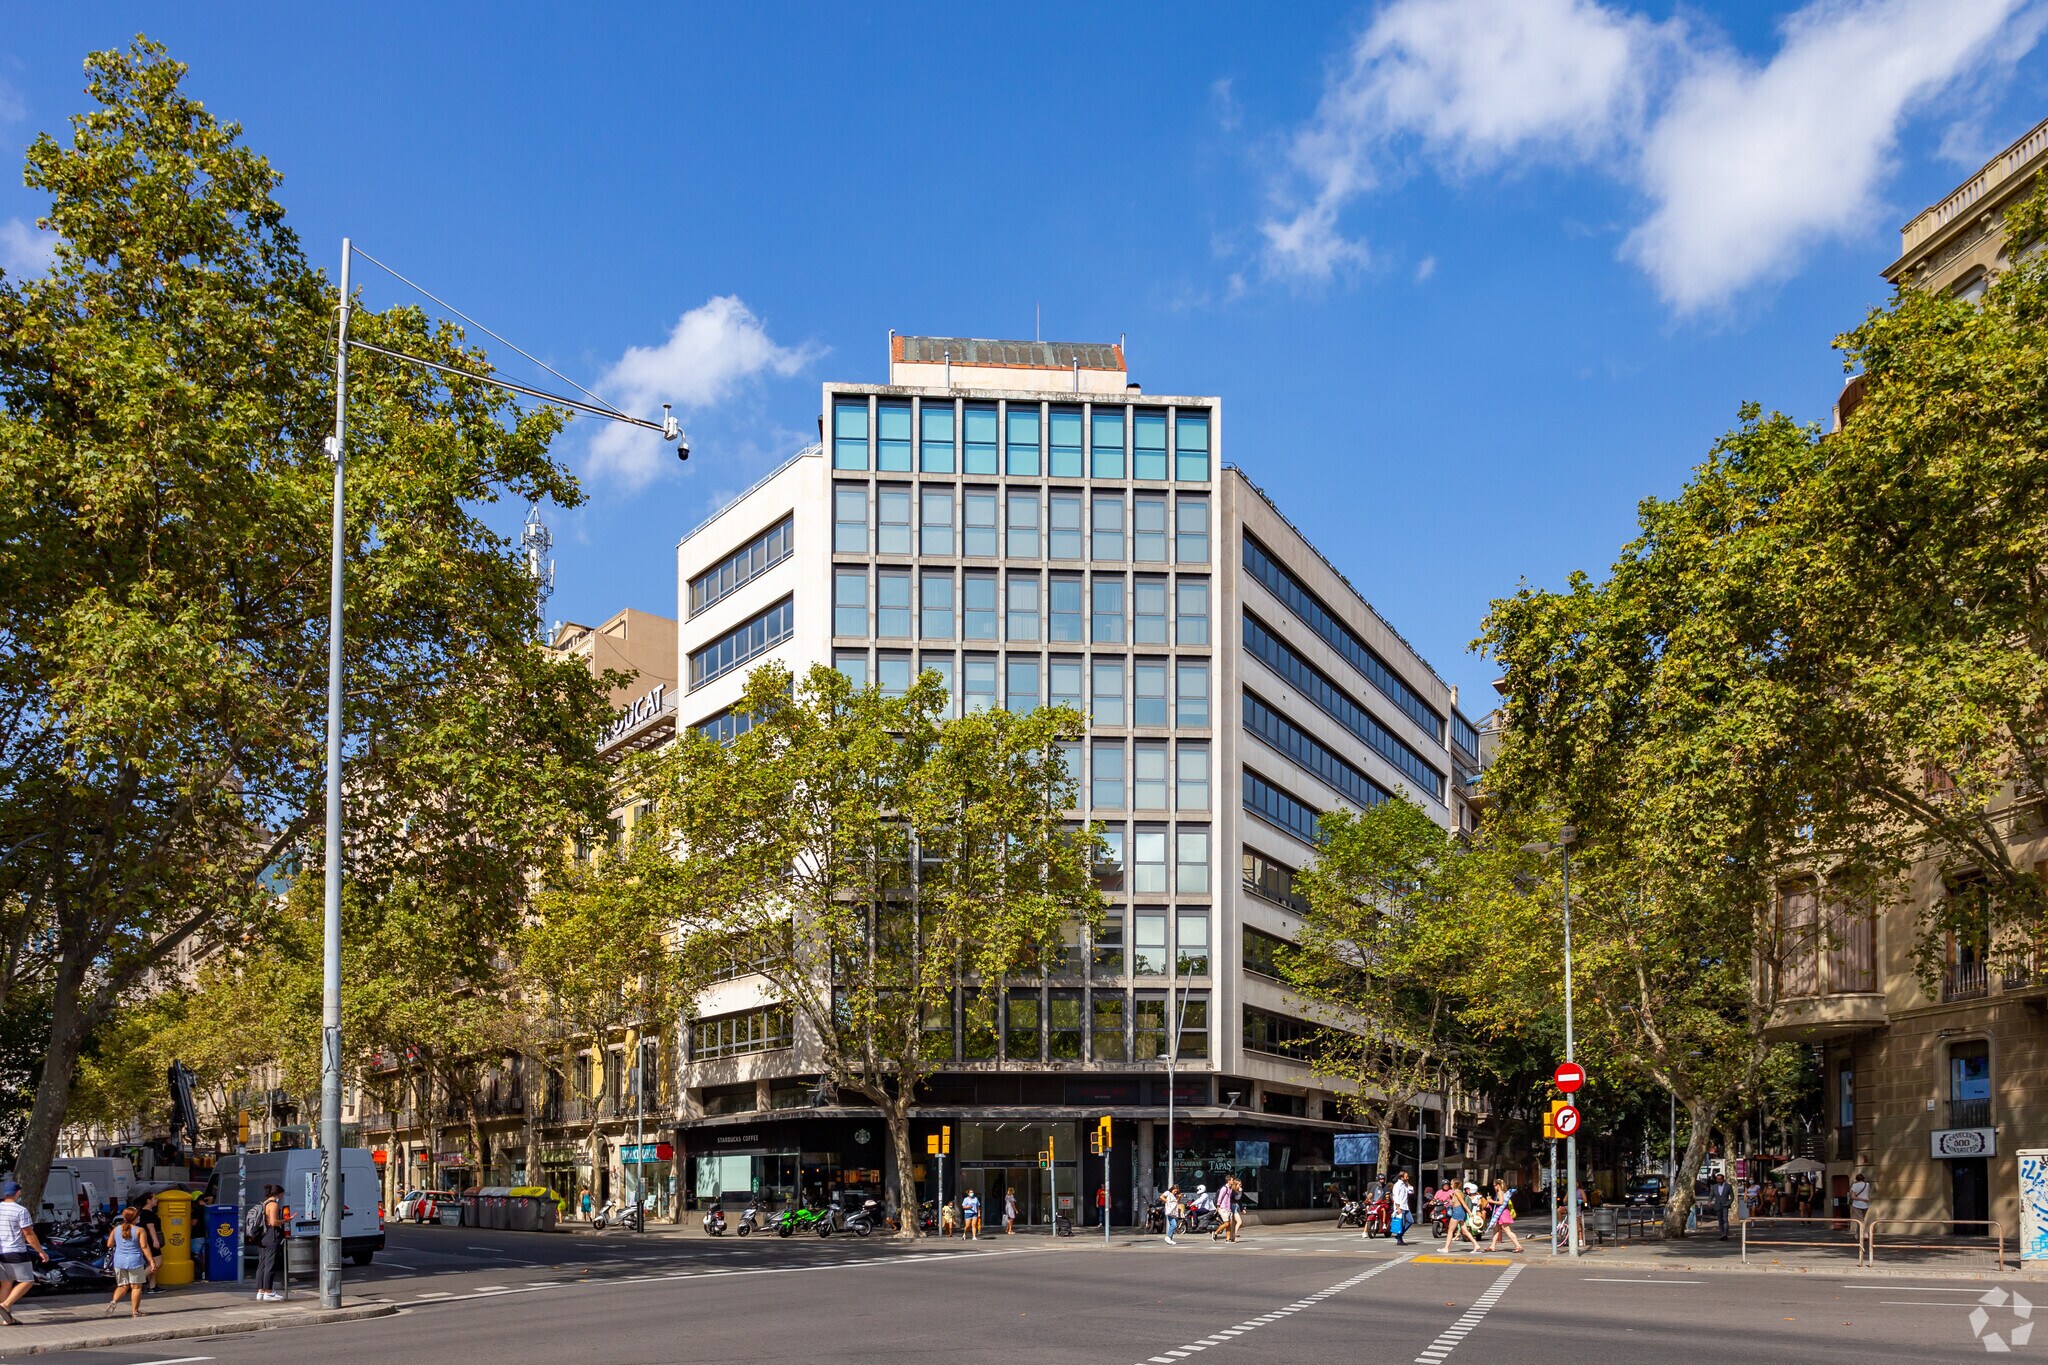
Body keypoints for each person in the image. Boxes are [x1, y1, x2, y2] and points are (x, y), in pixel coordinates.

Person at [0, 1180, 49, 1326]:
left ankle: (5, 1317)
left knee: (6, 1283)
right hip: (16, 1252)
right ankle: (5, 1305)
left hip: (1, 1252)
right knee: (27, 1280)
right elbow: (28, 1234)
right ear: (18, 1193)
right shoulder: (20, 1210)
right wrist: (41, 1251)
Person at [104, 1206, 157, 1318]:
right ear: (135, 1218)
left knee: (123, 1286)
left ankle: (114, 1301)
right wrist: (151, 1261)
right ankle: (135, 1311)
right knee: (136, 1287)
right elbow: (144, 1246)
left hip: (119, 1261)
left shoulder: (116, 1229)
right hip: (134, 1261)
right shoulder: (139, 1230)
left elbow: (109, 1244)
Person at [255, 1183, 286, 1301]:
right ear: (278, 1194)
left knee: (262, 1264)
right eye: (282, 1195)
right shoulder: (273, 1205)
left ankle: (260, 1291)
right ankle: (268, 1291)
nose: (282, 1197)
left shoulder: (264, 1204)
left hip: (262, 1236)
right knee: (270, 1264)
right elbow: (273, 1222)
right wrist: (285, 1220)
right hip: (270, 1235)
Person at [1485, 1179, 1524, 1253]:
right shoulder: (1501, 1192)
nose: (1494, 1187)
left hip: (1502, 1213)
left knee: (1507, 1230)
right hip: (1499, 1213)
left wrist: (1491, 1201)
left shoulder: (1500, 1192)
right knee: (1495, 1229)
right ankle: (1492, 1246)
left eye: (1495, 1185)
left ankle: (1518, 1246)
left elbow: (1501, 1202)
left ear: (1498, 1185)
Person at [135, 1194, 163, 1295]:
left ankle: (152, 1286)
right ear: (148, 1200)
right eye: (154, 1198)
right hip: (150, 1240)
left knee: (151, 1263)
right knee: (157, 1262)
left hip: (146, 1240)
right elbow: (151, 1228)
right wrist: (155, 1240)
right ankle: (137, 1281)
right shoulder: (148, 1214)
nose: (156, 1200)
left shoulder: (142, 1213)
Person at [1390, 1171, 1413, 1246]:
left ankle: (1399, 1235)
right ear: (1401, 1177)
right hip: (1400, 1207)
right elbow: (1395, 1197)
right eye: (1406, 1176)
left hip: (1405, 1206)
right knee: (1401, 1224)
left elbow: (1411, 1191)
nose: (1407, 1178)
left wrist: (1407, 1183)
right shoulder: (1397, 1185)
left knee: (1410, 1221)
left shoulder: (1405, 1184)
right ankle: (1399, 1239)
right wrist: (1397, 1208)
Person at [1710, 1173, 1733, 1240]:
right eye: (1717, 1179)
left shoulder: (1728, 1186)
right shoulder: (1714, 1187)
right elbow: (1711, 1195)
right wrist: (1709, 1201)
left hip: (1725, 1205)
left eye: (1720, 1179)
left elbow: (1732, 1197)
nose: (1718, 1180)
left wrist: (1728, 1203)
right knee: (1720, 1220)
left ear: (1723, 1179)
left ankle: (1725, 1234)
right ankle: (1722, 1234)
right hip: (1717, 1205)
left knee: (1725, 1219)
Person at [1213, 1176, 1234, 1243]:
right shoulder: (1224, 1188)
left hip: (1228, 1208)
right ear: (1228, 1181)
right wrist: (1218, 1206)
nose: (1233, 1181)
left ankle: (1228, 1239)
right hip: (1223, 1208)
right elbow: (1220, 1197)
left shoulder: (1230, 1188)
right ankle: (1216, 1232)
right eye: (1232, 1180)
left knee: (1229, 1224)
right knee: (1227, 1223)